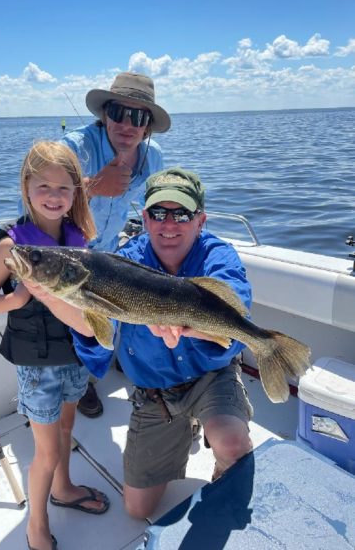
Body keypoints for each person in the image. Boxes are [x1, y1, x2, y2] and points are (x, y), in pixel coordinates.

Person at [74, 167, 254, 519]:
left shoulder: (218, 255)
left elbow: (235, 306)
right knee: (137, 510)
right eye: (158, 213)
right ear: (144, 218)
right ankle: (184, 427)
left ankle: (222, 474)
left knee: (232, 444)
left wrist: (193, 328)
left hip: (211, 376)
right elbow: (100, 332)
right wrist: (49, 296)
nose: (169, 224)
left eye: (182, 214)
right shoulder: (124, 262)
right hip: (156, 391)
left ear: (200, 220)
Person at [0, 141, 109, 550]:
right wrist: (15, 299)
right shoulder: (11, 246)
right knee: (46, 453)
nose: (53, 196)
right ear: (26, 188)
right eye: (43, 187)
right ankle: (36, 527)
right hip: (37, 364)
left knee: (67, 428)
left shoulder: (78, 238)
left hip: (72, 353)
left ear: (76, 193)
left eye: (63, 188)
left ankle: (63, 489)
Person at [62, 71, 171, 417]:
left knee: (133, 304)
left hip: (110, 252)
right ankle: (80, 383)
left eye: (137, 117)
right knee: (74, 322)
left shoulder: (153, 158)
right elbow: (31, 206)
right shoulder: (72, 150)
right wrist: (93, 185)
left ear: (148, 126)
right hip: (67, 256)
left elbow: (157, 203)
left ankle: (127, 359)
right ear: (104, 114)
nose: (127, 124)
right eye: (117, 112)